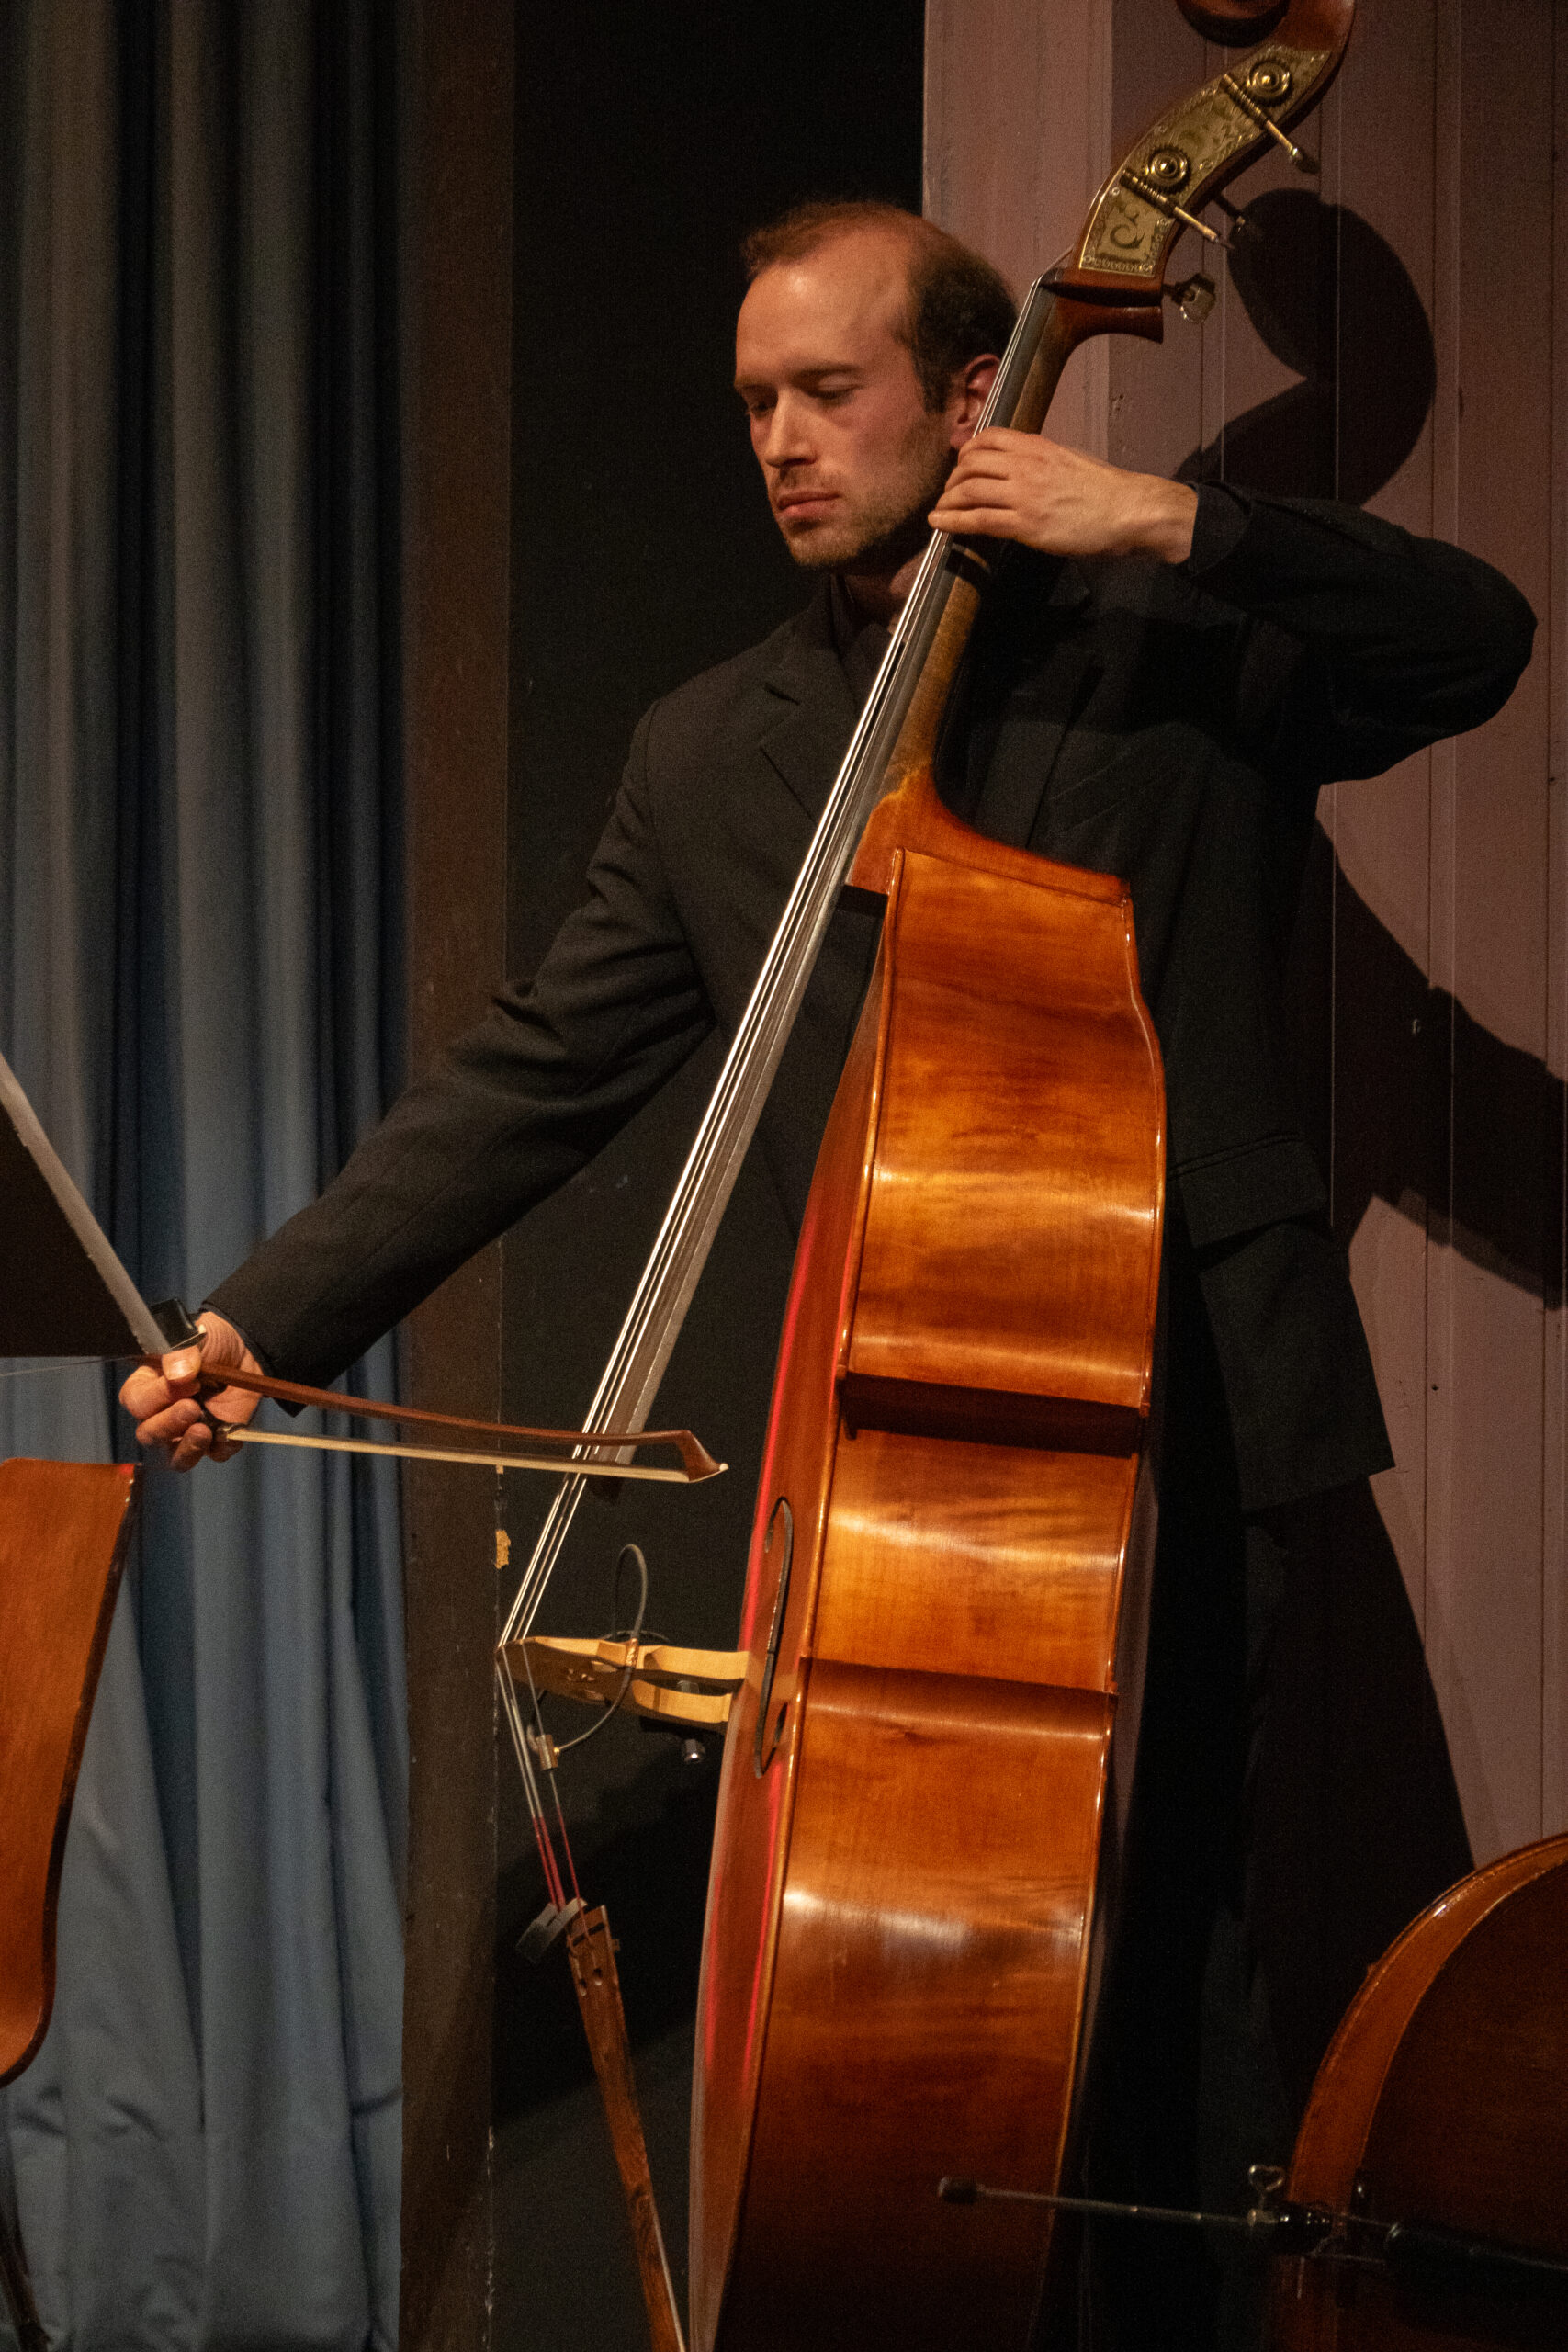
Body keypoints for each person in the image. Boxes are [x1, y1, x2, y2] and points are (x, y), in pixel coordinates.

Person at [121, 201, 1535, 2348]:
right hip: (895, 1466)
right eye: (753, 405)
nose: (779, 441)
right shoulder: (713, 747)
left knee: (1191, 1971)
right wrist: (263, 1316)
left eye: (824, 391)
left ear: (971, 394)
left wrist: (1172, 515)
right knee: (927, 2009)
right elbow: (537, 1069)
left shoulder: (1173, 634)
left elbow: (1472, 640)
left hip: (1190, 1400)